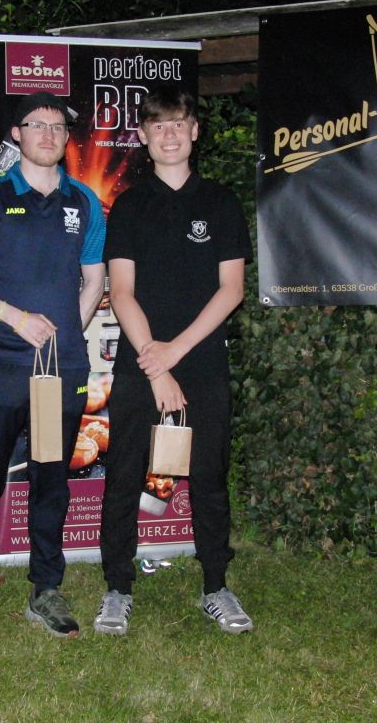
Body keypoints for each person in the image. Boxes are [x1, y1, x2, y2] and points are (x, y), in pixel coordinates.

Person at [0, 91, 106, 648]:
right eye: (37, 125)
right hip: (3, 367)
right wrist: (16, 319)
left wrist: (63, 332)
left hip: (61, 372)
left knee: (50, 481)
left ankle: (46, 589)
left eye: (58, 126)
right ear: (17, 133)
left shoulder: (83, 201)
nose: (49, 135)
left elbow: (95, 279)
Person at [94, 85, 253, 636]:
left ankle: (216, 586)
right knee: (124, 474)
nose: (169, 134)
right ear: (143, 135)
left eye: (179, 123)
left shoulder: (221, 203)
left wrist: (175, 354)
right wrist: (155, 365)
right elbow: (121, 291)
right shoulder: (130, 206)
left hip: (201, 361)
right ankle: (117, 587)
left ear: (194, 131)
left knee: (209, 474)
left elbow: (232, 290)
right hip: (141, 361)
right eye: (158, 125)